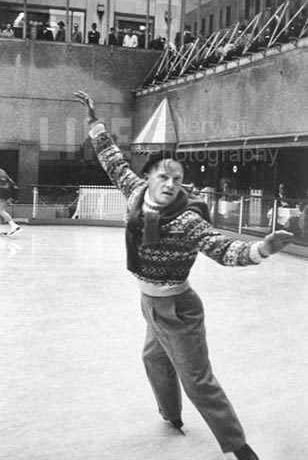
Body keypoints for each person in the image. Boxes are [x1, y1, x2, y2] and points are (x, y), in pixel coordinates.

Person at [74, 90, 293, 460]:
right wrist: (94, 122)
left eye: (177, 178)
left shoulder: (187, 217)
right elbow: (112, 159)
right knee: (154, 360)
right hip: (151, 304)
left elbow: (223, 248)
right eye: (164, 176)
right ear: (149, 177)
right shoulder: (135, 193)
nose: (171, 183)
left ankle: (239, 447)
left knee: (197, 380)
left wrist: (261, 249)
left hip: (178, 308)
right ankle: (171, 417)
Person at [0, 168, 21, 236]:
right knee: (1, 211)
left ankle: (14, 226)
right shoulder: (2, 171)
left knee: (0, 211)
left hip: (1, 190)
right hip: (6, 191)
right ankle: (1, 229)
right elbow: (11, 183)